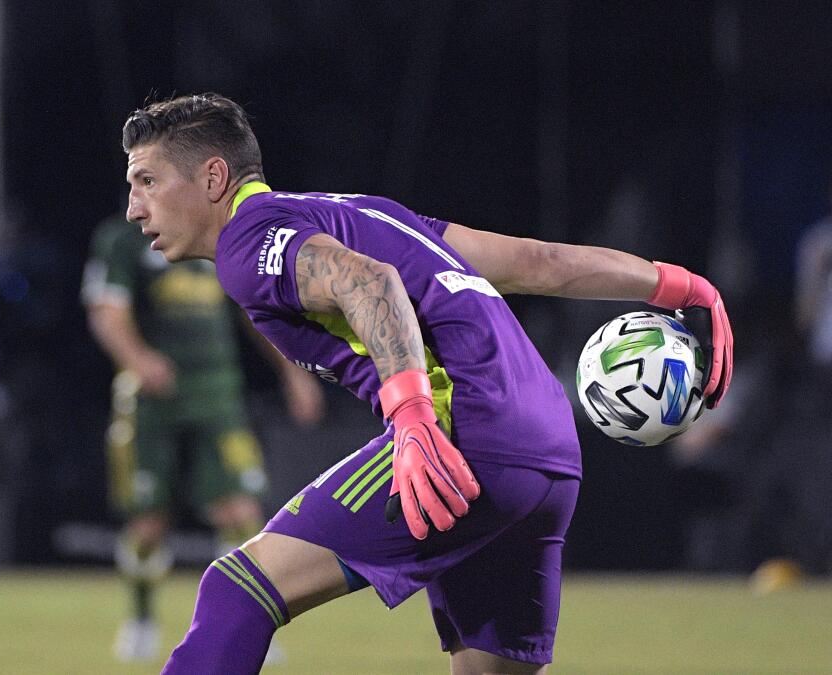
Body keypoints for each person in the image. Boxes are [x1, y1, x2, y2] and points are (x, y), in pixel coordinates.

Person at [118, 93, 734, 674]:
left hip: (463, 437)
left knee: (236, 590)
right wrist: (677, 284)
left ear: (214, 179)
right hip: (550, 448)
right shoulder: (366, 213)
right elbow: (535, 262)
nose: (134, 207)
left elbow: (370, 284)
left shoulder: (247, 242)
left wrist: (412, 418)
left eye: (148, 181)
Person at [82, 208, 325, 662]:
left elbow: (255, 312)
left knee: (241, 514)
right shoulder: (123, 239)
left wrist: (294, 373)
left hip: (218, 399)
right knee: (149, 524)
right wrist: (138, 359)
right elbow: (106, 310)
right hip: (153, 404)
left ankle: (242, 626)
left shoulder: (215, 239)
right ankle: (140, 620)